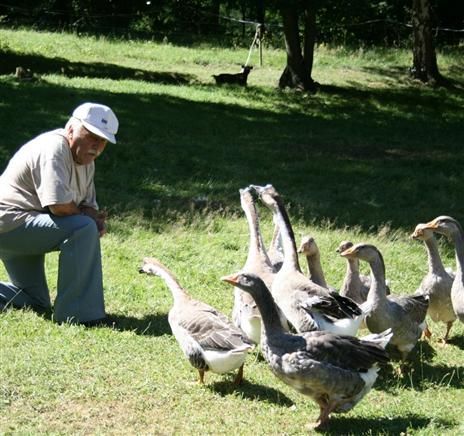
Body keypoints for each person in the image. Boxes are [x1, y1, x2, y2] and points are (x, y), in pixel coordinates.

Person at [0, 102, 118, 325]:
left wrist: (93, 217)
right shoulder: (54, 148)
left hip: (22, 226)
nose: (96, 145)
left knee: (35, 301)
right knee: (82, 228)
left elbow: (88, 205)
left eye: (103, 140)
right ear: (71, 129)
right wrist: (89, 220)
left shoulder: (86, 159)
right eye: (91, 135)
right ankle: (79, 315)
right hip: (9, 224)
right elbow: (59, 206)